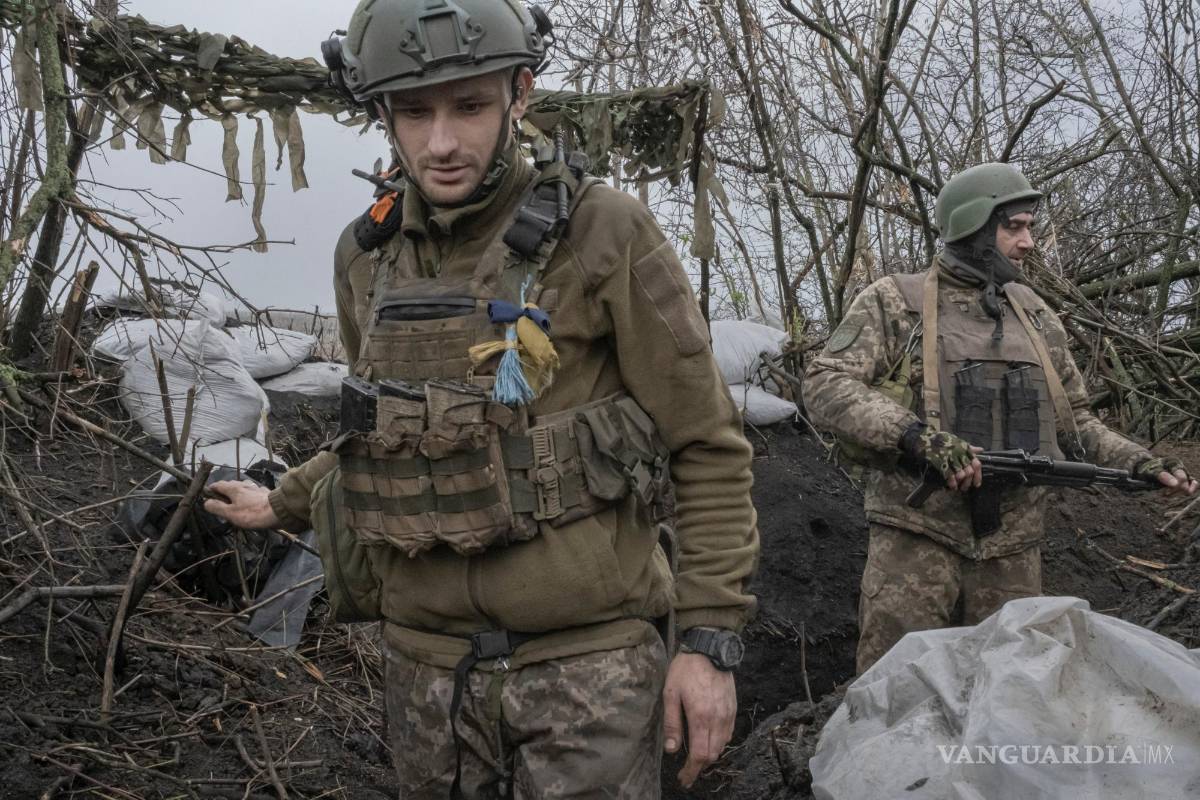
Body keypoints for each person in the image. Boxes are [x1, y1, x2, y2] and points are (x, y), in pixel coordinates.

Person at [204, 2, 759, 798]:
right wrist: (285, 501)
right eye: (414, 112)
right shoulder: (367, 258)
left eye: (469, 106)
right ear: (382, 116)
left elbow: (707, 443)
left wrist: (708, 644)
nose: (440, 142)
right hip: (426, 677)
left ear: (520, 94)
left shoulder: (605, 231)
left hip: (587, 675)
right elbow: (389, 431)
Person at [803, 162, 1196, 675]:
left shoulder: (1034, 315)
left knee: (1008, 698)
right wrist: (917, 436)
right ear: (972, 226)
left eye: (1029, 226)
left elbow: (1076, 424)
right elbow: (826, 382)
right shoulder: (894, 301)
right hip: (917, 543)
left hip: (1013, 553)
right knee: (894, 695)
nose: (1029, 242)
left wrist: (1143, 463)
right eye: (1014, 227)